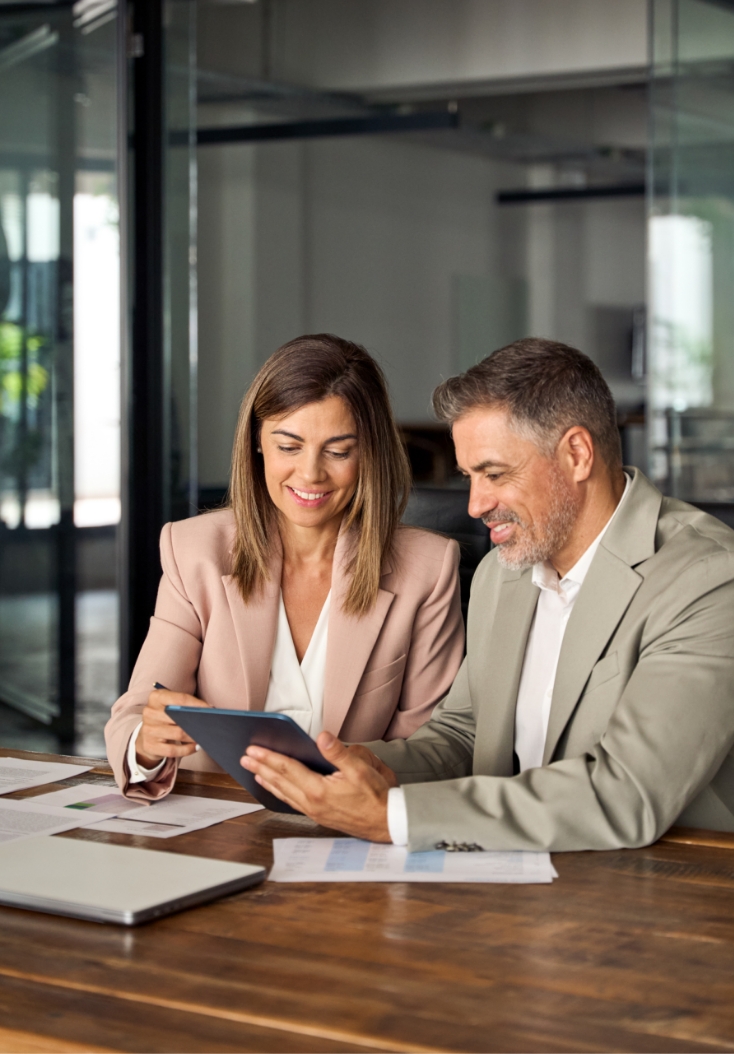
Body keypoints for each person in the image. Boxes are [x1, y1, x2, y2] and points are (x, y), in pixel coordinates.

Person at [241, 338, 734, 852]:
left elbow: (626, 794)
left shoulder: (714, 584)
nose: (476, 505)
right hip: (517, 875)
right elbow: (461, 737)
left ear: (577, 453)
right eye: (467, 477)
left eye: (494, 474)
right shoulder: (505, 573)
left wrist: (392, 816)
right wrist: (341, 773)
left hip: (681, 895)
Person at [105, 334, 464, 801]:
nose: (311, 474)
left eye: (338, 451)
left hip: (348, 827)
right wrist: (147, 745)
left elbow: (431, 752)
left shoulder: (428, 570)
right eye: (289, 446)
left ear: (369, 452)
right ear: (257, 442)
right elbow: (134, 715)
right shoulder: (193, 550)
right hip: (215, 821)